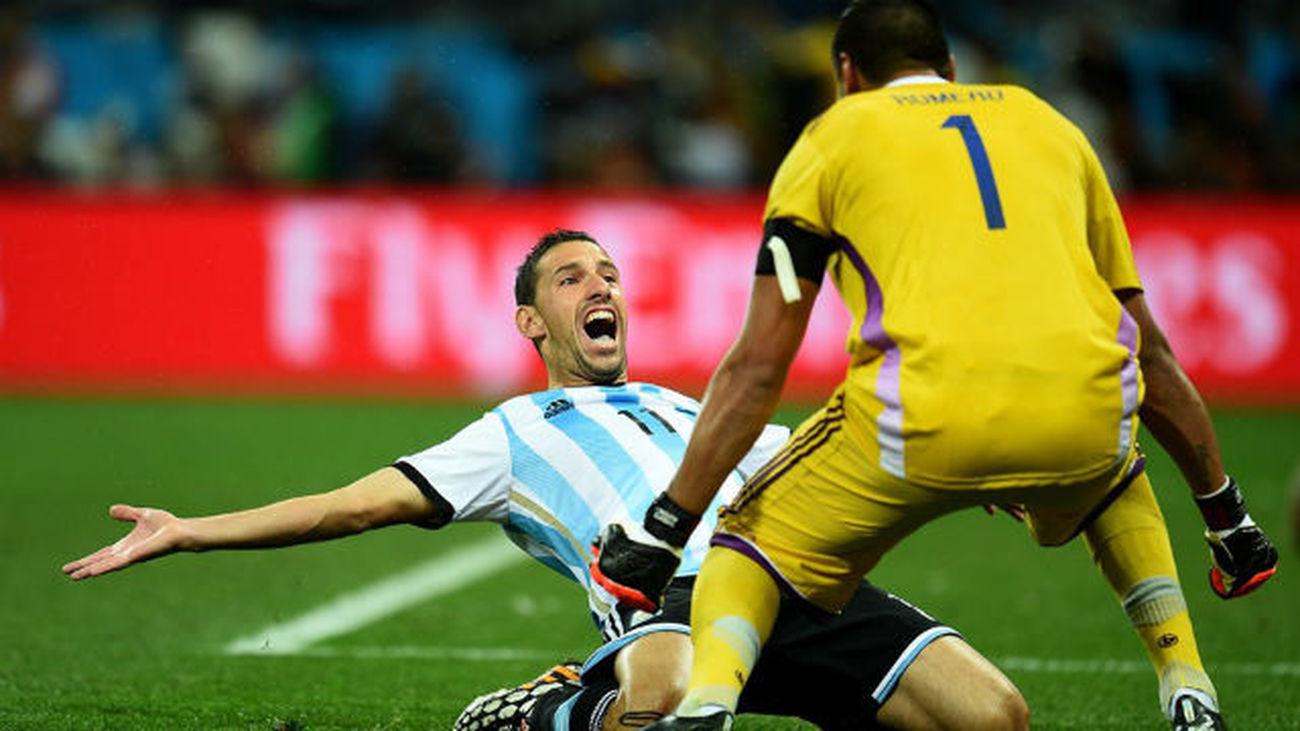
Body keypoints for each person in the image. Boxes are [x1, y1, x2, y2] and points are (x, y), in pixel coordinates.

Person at [590, 3, 1280, 730]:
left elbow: (759, 365)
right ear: (950, 70)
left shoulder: (834, 135)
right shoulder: (1051, 126)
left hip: (916, 419)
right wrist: (1226, 514)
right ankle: (1187, 681)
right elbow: (1149, 350)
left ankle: (707, 706)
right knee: (1116, 477)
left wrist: (665, 529)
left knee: (745, 539)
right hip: (1081, 411)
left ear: (847, 74)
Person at [63, 229, 1028, 731]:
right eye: (571, 279)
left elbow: (837, 456)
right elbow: (346, 505)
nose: (600, 287)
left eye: (607, 273)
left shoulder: (696, 409)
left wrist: (962, 472)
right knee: (672, 689)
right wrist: (191, 528)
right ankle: (561, 710)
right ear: (532, 325)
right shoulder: (511, 433)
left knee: (995, 715)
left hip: (806, 585)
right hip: (674, 595)